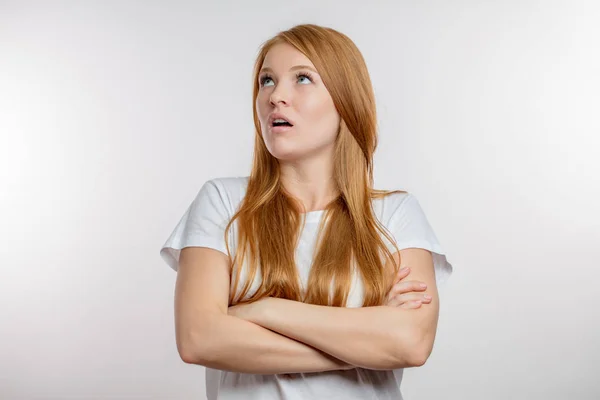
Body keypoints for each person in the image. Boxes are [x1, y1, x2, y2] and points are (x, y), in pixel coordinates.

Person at [160, 23, 453, 400]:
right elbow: (199, 338)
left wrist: (263, 310)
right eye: (267, 80)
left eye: (302, 78)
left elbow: (411, 343)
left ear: (346, 99)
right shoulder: (222, 202)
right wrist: (359, 348)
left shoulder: (395, 215)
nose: (276, 96)